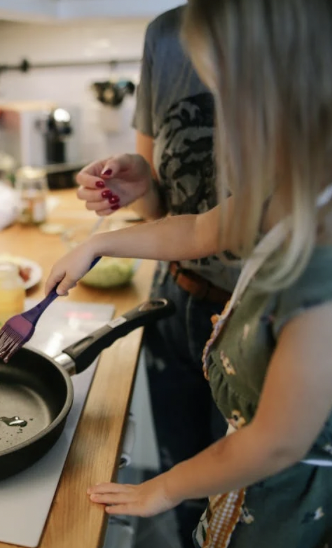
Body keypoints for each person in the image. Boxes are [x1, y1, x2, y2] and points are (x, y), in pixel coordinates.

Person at [48, 0, 332, 546]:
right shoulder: (302, 187)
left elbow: (276, 443)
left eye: (233, 97)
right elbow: (198, 231)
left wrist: (167, 488)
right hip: (254, 481)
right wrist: (100, 245)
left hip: (300, 507)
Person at [76, 5, 237, 546]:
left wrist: (101, 242)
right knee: (185, 480)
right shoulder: (169, 34)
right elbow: (181, 221)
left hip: (263, 316)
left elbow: (276, 443)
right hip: (179, 300)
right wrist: (138, 184)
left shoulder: (324, 30)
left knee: (241, 499)